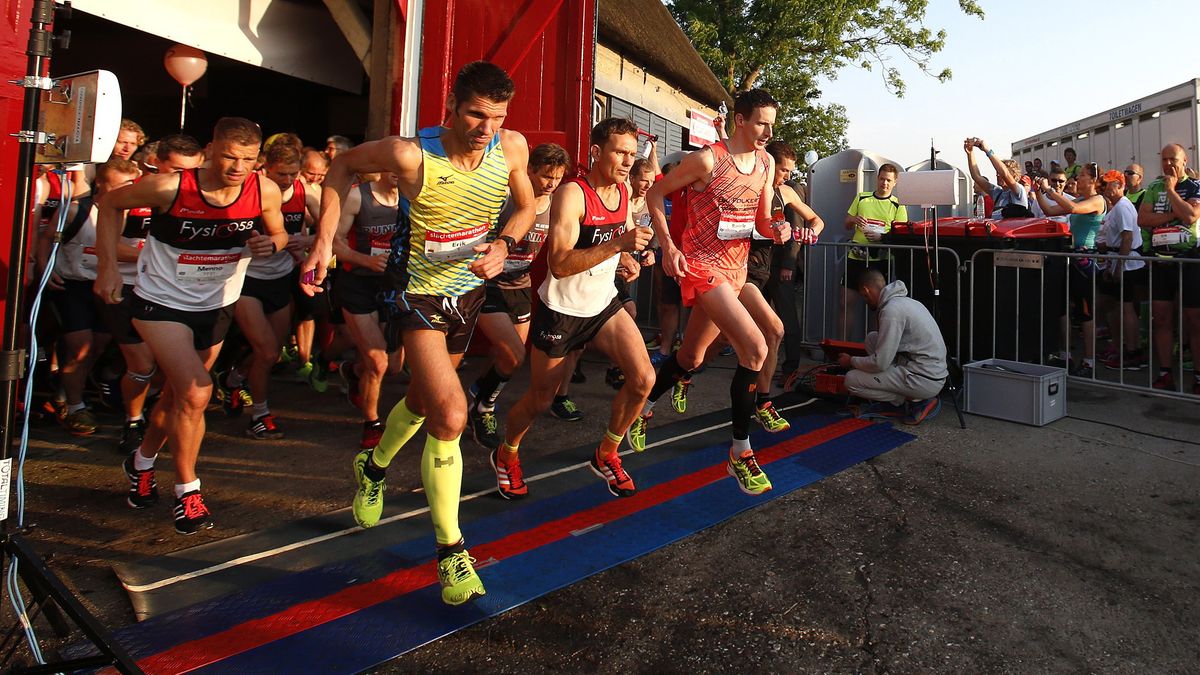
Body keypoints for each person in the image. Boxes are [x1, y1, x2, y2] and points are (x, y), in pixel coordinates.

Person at [301, 61, 535, 606]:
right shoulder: (409, 154)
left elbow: (525, 206)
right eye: (476, 115)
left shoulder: (512, 148)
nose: (485, 129)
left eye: (496, 117)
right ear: (450, 107)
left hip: (469, 291)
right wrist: (322, 242)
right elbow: (340, 170)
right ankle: (451, 550)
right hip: (415, 292)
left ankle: (374, 464)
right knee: (451, 414)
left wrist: (503, 245)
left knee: (426, 398)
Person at [95, 117, 287, 534]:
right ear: (210, 151)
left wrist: (271, 243)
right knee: (198, 390)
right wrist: (108, 268)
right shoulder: (171, 186)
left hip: (216, 304)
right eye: (229, 158)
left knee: (181, 397)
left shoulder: (264, 189)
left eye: (248, 160)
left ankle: (142, 462)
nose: (237, 168)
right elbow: (109, 204)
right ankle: (188, 491)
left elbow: (281, 234)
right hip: (160, 303)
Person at [629, 89, 791, 497]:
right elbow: (654, 193)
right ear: (740, 120)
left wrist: (779, 228)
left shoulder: (766, 163)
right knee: (754, 347)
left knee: (692, 356)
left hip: (737, 269)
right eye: (761, 123)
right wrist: (667, 246)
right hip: (701, 267)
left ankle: (642, 409)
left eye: (772, 124)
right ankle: (740, 452)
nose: (768, 132)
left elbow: (762, 221)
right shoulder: (706, 159)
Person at [496, 117, 655, 500]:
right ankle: (507, 452)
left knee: (644, 379)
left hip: (602, 304)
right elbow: (560, 263)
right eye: (620, 152)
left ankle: (607, 453)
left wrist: (628, 261)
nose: (627, 161)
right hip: (562, 311)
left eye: (632, 154)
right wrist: (619, 246)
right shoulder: (573, 194)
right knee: (540, 399)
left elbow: (618, 245)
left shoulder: (623, 193)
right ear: (597, 152)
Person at [100, 139, 204, 453]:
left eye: (193, 170)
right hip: (130, 288)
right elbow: (110, 242)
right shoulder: (138, 193)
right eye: (177, 170)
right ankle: (132, 421)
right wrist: (143, 259)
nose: (186, 177)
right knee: (142, 366)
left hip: (172, 293)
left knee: (171, 370)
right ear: (156, 163)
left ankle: (158, 417)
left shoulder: (200, 196)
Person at [467, 143, 570, 451]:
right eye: (545, 176)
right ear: (530, 171)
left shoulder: (556, 207)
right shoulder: (507, 199)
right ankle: (484, 408)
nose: (551, 184)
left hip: (521, 285)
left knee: (505, 356)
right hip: (490, 284)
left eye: (558, 178)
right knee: (514, 355)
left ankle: (479, 391)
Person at [218, 143, 318, 439]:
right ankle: (259, 416)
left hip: (280, 276)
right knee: (267, 350)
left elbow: (332, 227)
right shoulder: (250, 191)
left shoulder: (305, 192)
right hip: (247, 279)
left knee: (271, 355)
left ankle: (233, 378)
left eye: (292, 174)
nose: (286, 180)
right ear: (266, 170)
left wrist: (308, 240)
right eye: (280, 174)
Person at [330, 170, 406, 450]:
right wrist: (365, 261)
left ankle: (352, 371)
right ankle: (372, 423)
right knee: (378, 362)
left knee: (395, 367)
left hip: (392, 286)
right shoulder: (356, 196)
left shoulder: (413, 196)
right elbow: (333, 242)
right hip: (357, 285)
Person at [837, 270, 946, 425]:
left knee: (851, 379)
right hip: (930, 371)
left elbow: (880, 363)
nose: (866, 301)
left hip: (923, 378)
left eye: (864, 296)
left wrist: (851, 361)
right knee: (872, 338)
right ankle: (909, 395)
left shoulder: (891, 311)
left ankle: (911, 401)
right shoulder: (907, 302)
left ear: (867, 290)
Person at [1138, 143, 1200, 393]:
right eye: (1163, 159)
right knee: (1161, 318)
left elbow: (1191, 216)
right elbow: (1143, 219)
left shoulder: (1194, 186)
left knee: (1195, 322)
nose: (1167, 164)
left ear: (1184, 160)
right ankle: (1165, 373)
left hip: (1190, 260)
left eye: (1172, 159)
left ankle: (1198, 376)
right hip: (1161, 260)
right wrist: (1174, 215)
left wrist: (1172, 192)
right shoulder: (1153, 187)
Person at [1037, 162, 1105, 376]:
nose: (1077, 180)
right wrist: (1039, 192)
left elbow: (1073, 209)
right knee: (1063, 309)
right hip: (1071, 258)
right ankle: (1066, 356)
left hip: (1086, 260)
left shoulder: (1097, 200)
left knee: (1085, 313)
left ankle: (1089, 362)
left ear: (1093, 180)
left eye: (1082, 176)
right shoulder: (1079, 199)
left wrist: (1049, 190)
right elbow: (1049, 209)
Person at [839, 163, 906, 339]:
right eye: (882, 179)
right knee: (845, 303)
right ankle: (842, 350)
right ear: (877, 178)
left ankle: (877, 352)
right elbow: (846, 223)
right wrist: (854, 219)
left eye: (888, 180)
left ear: (895, 183)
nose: (884, 183)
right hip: (856, 257)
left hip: (880, 260)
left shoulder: (898, 205)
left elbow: (901, 233)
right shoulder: (862, 197)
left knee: (879, 309)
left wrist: (881, 238)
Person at [1095, 169, 1147, 370]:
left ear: (1121, 185)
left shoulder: (1123, 206)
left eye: (1111, 183)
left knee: (1127, 309)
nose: (1107, 187)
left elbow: (1127, 237)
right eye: (1106, 183)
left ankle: (1134, 352)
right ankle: (1122, 347)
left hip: (1129, 264)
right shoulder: (1117, 207)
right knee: (1117, 306)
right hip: (1119, 261)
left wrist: (1119, 268)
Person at [964, 137, 1030, 218]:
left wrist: (987, 150)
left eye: (999, 173)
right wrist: (970, 153)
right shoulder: (997, 193)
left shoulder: (1018, 191)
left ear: (1013, 175)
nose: (998, 175)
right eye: (996, 173)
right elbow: (976, 177)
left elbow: (1005, 174)